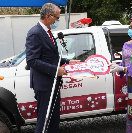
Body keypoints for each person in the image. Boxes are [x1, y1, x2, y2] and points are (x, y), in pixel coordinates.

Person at [25, 3, 79, 133]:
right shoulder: (35, 33)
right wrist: (56, 70)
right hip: (44, 85)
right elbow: (32, 60)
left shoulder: (48, 32)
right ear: (48, 16)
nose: (57, 21)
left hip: (53, 82)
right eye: (57, 18)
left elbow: (50, 57)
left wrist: (67, 61)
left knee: (54, 120)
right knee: (44, 120)